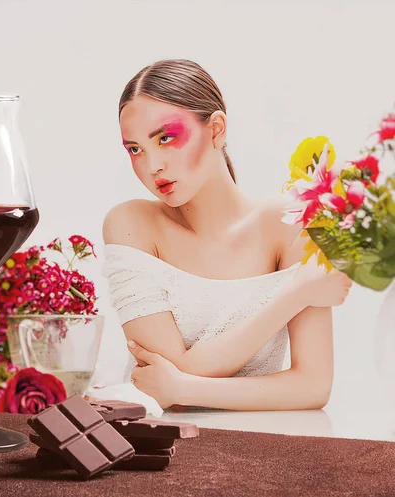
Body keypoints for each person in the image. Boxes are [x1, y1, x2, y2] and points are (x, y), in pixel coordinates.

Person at [101, 59, 352, 411]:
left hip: (263, 446)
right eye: (135, 149)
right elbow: (168, 385)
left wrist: (182, 389)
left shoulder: (290, 224)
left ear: (216, 129)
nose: (151, 165)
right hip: (151, 442)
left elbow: (313, 387)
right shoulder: (131, 223)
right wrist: (295, 293)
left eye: (166, 137)